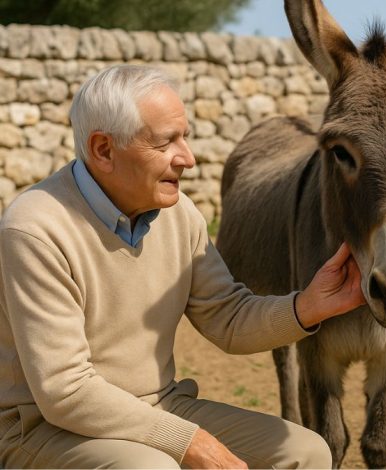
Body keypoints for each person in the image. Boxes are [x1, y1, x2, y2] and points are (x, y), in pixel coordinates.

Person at [0, 64, 365, 469]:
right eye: (166, 142)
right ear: (103, 149)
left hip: (159, 405)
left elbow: (227, 316)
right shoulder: (34, 229)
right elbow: (65, 392)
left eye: (185, 137)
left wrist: (308, 306)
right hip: (43, 427)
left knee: (307, 452)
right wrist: (187, 442)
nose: (188, 158)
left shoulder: (179, 214)